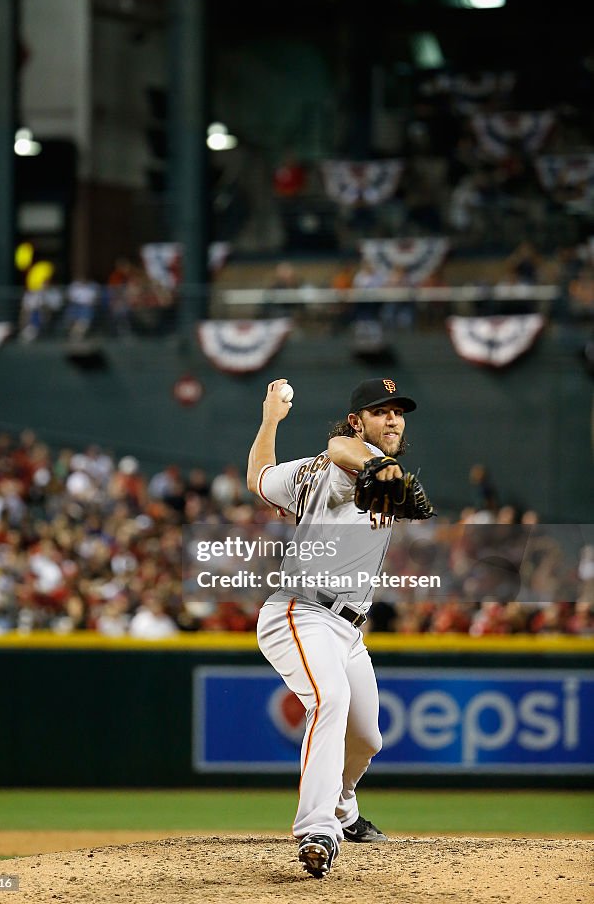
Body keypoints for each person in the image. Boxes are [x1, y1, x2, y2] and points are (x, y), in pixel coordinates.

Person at [247, 375, 420, 879]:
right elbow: (339, 448)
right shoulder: (352, 462)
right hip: (300, 612)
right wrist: (271, 419)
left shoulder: (354, 470)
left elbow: (260, 476)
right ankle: (318, 828)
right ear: (357, 420)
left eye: (398, 411)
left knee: (366, 740)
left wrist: (269, 423)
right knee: (329, 701)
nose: (392, 418)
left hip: (348, 629)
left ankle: (344, 810)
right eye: (380, 410)